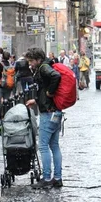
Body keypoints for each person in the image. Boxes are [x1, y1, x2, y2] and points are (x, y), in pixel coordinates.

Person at [24, 47, 63, 189]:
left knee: (43, 146)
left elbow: (55, 77)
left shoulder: (43, 68)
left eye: (31, 61)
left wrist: (49, 93)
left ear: (38, 59)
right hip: (56, 111)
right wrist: (38, 100)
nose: (30, 64)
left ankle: (47, 178)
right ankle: (57, 178)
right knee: (54, 145)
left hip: (48, 113)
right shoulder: (46, 65)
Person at [0, 51, 13, 121]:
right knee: (6, 102)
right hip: (8, 86)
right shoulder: (11, 65)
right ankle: (6, 118)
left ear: (2, 57)